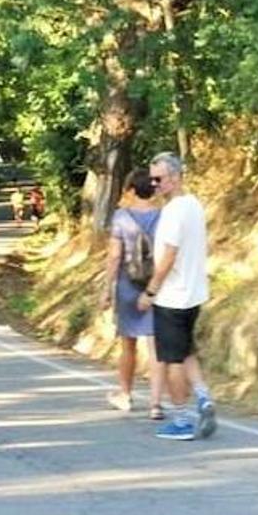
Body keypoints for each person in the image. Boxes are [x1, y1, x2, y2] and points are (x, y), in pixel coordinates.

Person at [141, 153, 217, 442]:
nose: (154, 184)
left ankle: (182, 420)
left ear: (175, 177)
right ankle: (203, 397)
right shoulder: (194, 205)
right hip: (194, 292)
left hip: (172, 297)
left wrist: (151, 291)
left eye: (158, 179)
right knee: (185, 350)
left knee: (172, 359)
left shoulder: (173, 212)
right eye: (152, 178)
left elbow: (169, 256)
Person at [100, 168, 165, 418]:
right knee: (155, 345)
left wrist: (107, 289)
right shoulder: (163, 216)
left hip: (128, 284)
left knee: (128, 344)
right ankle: (156, 404)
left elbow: (115, 256)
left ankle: (125, 395)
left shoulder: (121, 217)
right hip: (155, 286)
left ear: (130, 189)